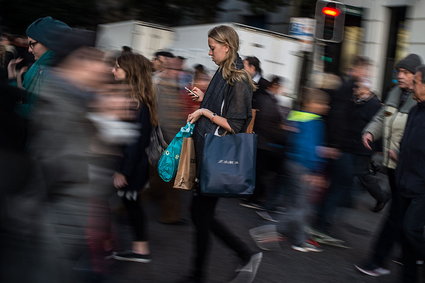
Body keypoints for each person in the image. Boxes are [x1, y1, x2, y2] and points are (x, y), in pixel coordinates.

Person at [179, 25, 262, 283]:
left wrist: (205, 112)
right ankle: (242, 254)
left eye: (212, 47)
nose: (209, 52)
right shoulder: (223, 72)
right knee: (200, 214)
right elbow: (221, 108)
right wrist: (204, 98)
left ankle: (199, 273)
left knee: (200, 214)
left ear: (226, 47)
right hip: (207, 152)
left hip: (215, 157)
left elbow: (235, 124)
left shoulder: (238, 78)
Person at [355, 53, 422, 277]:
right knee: (403, 219)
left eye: (405, 73)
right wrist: (370, 132)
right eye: (399, 72)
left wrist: (402, 154)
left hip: (408, 168)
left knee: (398, 218)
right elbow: (382, 118)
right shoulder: (396, 93)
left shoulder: (419, 101)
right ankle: (408, 257)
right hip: (394, 166)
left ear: (417, 76)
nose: (400, 76)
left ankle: (378, 260)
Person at [250, 88, 329, 252]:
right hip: (303, 166)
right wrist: (314, 171)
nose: (325, 107)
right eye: (322, 103)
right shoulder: (313, 121)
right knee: (302, 208)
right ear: (311, 104)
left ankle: (300, 240)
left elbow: (288, 140)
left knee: (296, 205)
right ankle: (269, 232)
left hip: (291, 163)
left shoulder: (296, 116)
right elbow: (308, 148)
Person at [111, 52, 157, 263]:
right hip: (133, 165)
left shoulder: (137, 103)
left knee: (131, 204)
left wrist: (123, 171)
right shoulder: (136, 99)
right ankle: (139, 249)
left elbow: (135, 142)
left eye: (117, 67)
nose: (113, 70)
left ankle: (139, 249)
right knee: (131, 205)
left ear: (130, 71)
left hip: (132, 167)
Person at [395, 64, 425, 283]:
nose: (412, 85)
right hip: (405, 182)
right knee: (404, 236)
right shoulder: (415, 110)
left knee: (411, 230)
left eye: (416, 81)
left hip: (422, 187)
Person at [9, 16, 71, 118]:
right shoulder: (37, 66)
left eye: (32, 44)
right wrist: (12, 75)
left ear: (49, 41)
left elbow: (41, 114)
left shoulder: (61, 73)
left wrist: (9, 107)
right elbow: (24, 95)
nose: (29, 50)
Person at [249, 76, 288, 223]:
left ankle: (256, 197)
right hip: (265, 142)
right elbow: (266, 123)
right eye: (280, 86)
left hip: (265, 142)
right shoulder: (268, 100)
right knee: (261, 171)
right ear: (275, 86)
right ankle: (255, 198)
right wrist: (280, 133)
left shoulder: (270, 100)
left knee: (261, 171)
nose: (282, 90)